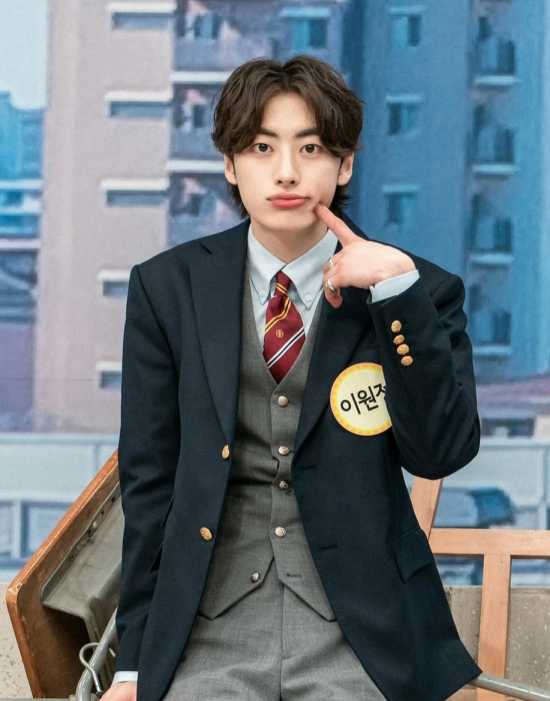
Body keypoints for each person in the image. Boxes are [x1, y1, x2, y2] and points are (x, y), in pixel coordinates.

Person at [103, 55, 483, 701]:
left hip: (363, 634)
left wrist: (396, 296)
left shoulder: (420, 290)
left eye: (310, 148)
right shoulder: (168, 288)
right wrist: (133, 665)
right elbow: (149, 482)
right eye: (261, 147)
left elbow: (440, 451)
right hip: (206, 630)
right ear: (230, 164)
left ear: (345, 164)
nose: (286, 171)